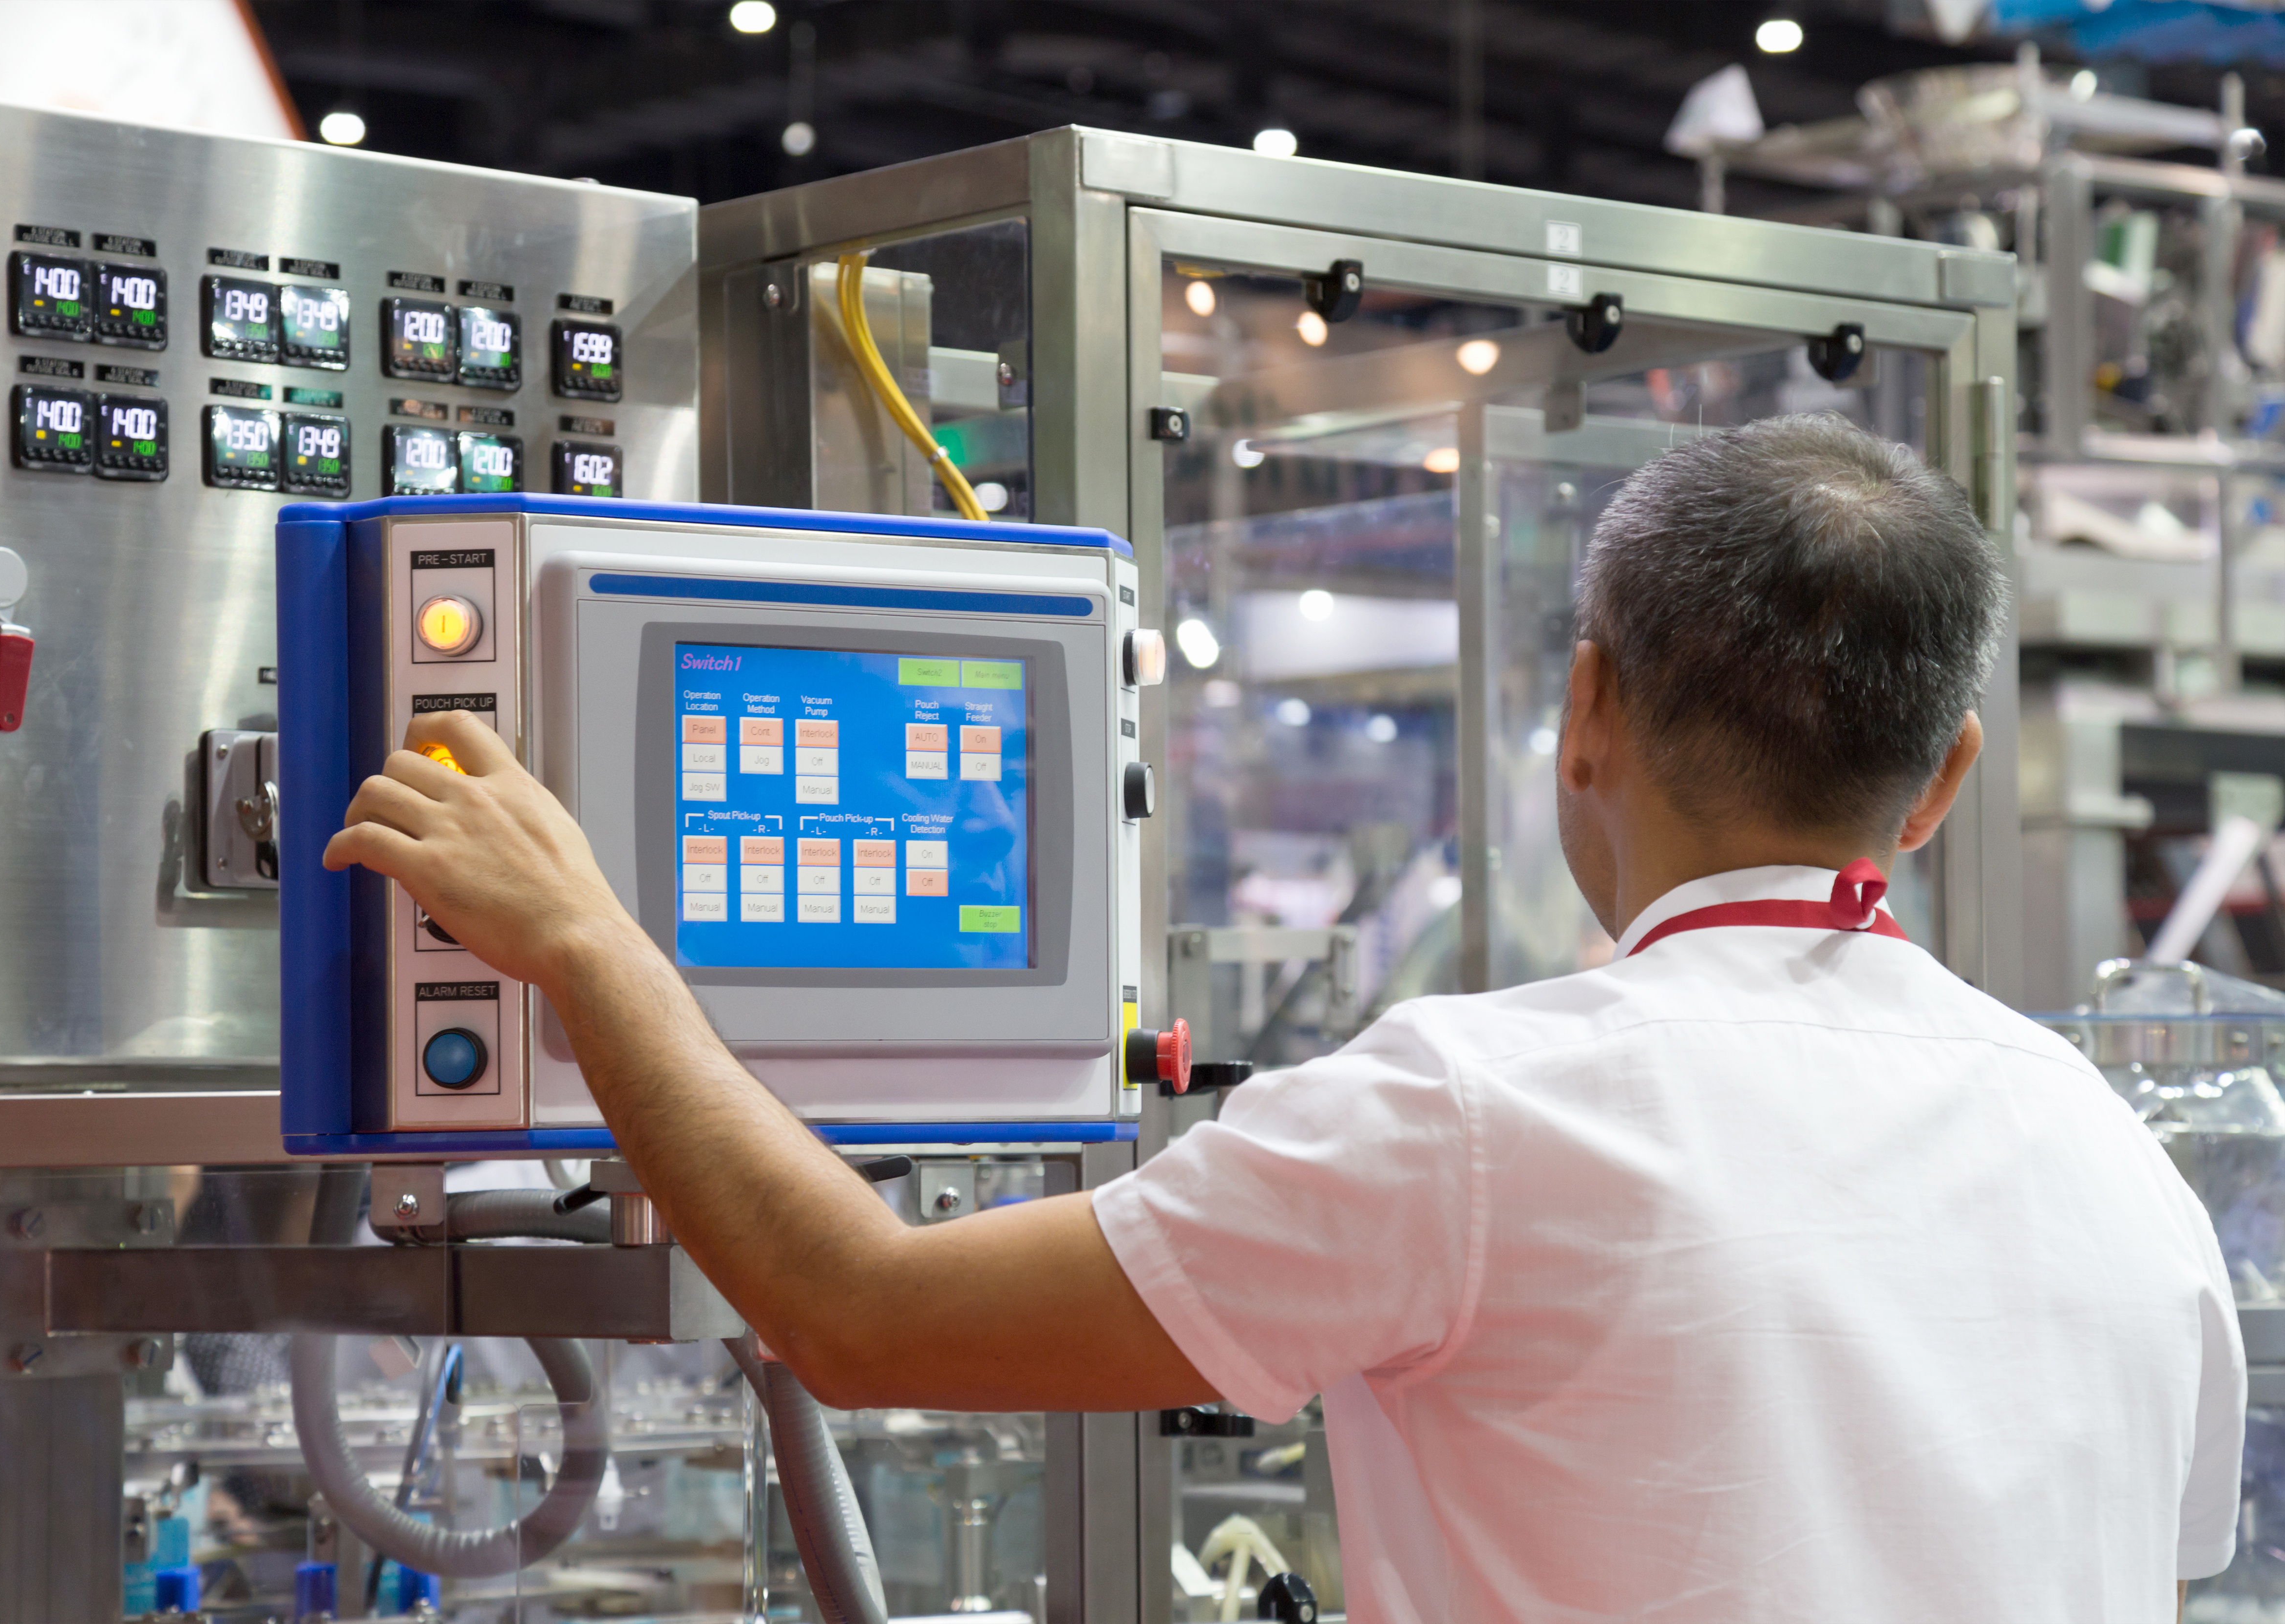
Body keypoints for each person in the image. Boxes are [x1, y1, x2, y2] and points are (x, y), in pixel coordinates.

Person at [325, 413, 2243, 1624]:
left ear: (1581, 709)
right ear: (1939, 782)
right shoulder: (2106, 1153)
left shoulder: (1482, 1113)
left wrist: (586, 940)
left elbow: (856, 1315)